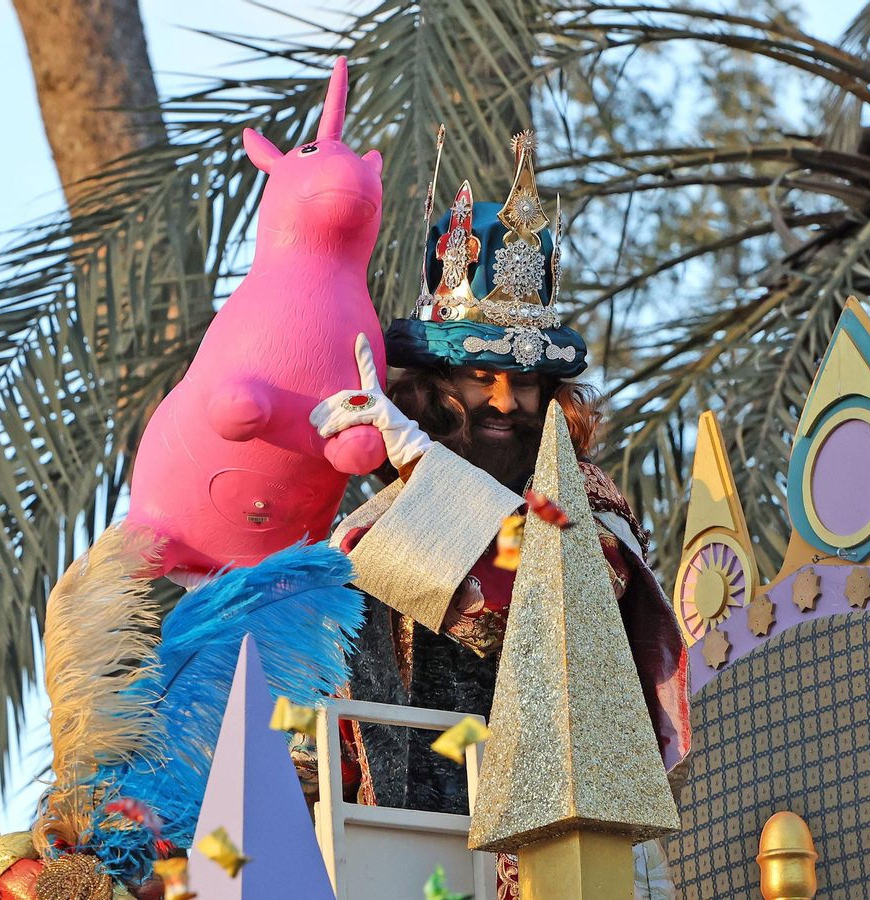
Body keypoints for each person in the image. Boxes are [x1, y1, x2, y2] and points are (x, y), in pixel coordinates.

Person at [305, 132, 688, 895]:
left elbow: (530, 610)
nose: (507, 401)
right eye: (482, 375)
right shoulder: (368, 530)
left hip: (566, 859)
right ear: (434, 384)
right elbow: (322, 713)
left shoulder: (589, 507)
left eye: (528, 381)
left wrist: (424, 467)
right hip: (400, 858)